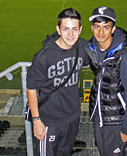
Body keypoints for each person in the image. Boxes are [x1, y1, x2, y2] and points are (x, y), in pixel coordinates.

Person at [26, 8, 88, 156]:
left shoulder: (82, 47)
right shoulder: (44, 57)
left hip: (72, 118)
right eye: (65, 29)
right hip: (49, 121)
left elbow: (102, 52)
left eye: (74, 29)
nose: (70, 34)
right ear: (58, 30)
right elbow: (31, 89)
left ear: (80, 30)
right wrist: (36, 120)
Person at [85, 6, 127, 156]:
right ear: (92, 28)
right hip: (99, 118)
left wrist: (126, 130)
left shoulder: (126, 59)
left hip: (116, 123)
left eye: (106, 27)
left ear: (113, 29)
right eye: (97, 27)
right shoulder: (92, 50)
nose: (101, 32)